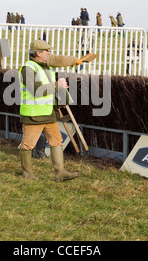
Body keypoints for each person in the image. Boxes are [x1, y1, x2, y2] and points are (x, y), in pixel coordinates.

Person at [18, 40, 95, 182]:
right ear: (38, 53)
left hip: (48, 112)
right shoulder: (28, 68)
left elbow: (59, 61)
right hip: (33, 114)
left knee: (57, 141)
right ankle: (28, 174)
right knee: (28, 145)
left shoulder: (45, 66)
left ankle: (60, 173)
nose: (49, 53)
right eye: (46, 51)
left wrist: (75, 62)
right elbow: (36, 91)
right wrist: (57, 85)